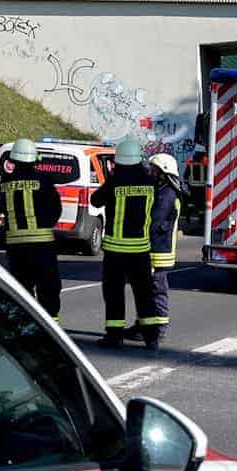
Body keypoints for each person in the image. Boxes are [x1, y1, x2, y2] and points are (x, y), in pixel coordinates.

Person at [92, 139, 161, 351]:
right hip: (141, 249)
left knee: (114, 293)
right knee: (145, 294)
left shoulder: (115, 182)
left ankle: (114, 336)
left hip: (116, 250)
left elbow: (96, 200)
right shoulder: (150, 182)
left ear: (119, 161)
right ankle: (151, 338)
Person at [0, 138, 63, 321]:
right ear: (34, 159)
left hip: (15, 245)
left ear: (14, 159)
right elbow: (55, 209)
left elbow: (2, 208)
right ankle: (52, 326)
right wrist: (46, 224)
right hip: (42, 244)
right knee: (48, 287)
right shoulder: (43, 180)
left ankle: (26, 323)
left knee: (22, 288)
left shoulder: (4, 182)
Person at [146, 153, 189, 337]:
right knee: (148, 291)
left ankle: (159, 328)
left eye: (153, 170)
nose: (150, 172)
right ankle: (146, 326)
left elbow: (154, 222)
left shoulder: (167, 194)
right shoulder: (164, 190)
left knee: (157, 290)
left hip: (158, 251)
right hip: (157, 249)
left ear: (163, 172)